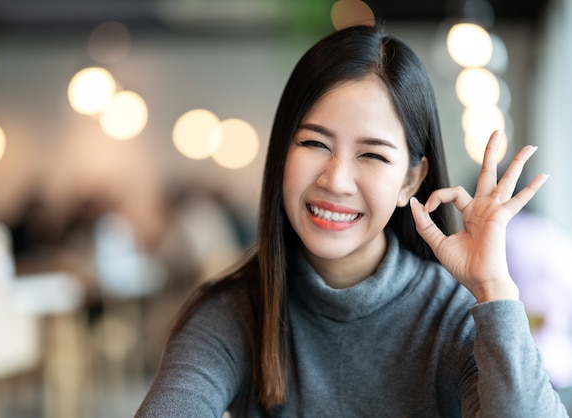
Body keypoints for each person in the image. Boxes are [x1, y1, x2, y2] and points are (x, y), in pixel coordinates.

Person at [135, 25, 569, 417]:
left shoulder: (453, 317)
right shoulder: (235, 313)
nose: (336, 181)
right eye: (314, 143)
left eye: (372, 154)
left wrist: (493, 289)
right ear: (282, 152)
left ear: (410, 181)